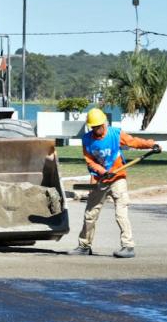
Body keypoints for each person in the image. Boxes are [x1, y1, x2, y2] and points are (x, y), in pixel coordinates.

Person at [68, 108, 159, 259]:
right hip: (100, 180)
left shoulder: (115, 134)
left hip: (118, 178)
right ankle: (84, 246)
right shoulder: (86, 139)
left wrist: (151, 144)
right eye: (94, 127)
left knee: (121, 212)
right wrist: (102, 171)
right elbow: (89, 161)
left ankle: (128, 246)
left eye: (99, 125)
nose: (97, 129)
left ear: (104, 123)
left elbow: (134, 142)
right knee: (90, 214)